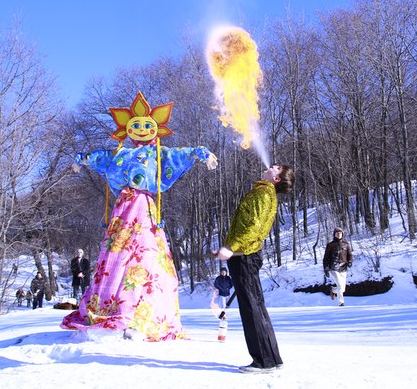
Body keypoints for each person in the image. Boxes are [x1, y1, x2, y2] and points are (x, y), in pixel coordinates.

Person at [61, 92, 218, 341]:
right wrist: (83, 159)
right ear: (126, 128)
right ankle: (111, 307)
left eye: (147, 125)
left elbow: (178, 154)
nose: (142, 129)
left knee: (145, 254)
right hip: (123, 209)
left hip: (144, 209)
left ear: (157, 128)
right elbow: (101, 157)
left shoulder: (158, 153)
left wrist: (200, 153)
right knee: (116, 254)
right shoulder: (121, 154)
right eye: (136, 125)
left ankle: (145, 313)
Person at [215, 164, 295, 374]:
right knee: (256, 307)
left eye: (275, 168)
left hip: (244, 256)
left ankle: (263, 361)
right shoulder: (265, 193)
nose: (270, 166)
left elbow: (253, 228)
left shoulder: (262, 194)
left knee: (251, 308)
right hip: (246, 255)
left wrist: (231, 247)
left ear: (277, 179)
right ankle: (272, 357)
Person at [323, 227, 353, 307]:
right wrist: (326, 268)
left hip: (343, 268)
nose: (339, 234)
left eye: (340, 233)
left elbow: (349, 255)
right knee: (340, 285)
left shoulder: (346, 244)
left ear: (342, 234)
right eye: (337, 233)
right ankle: (341, 303)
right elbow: (326, 258)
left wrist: (350, 262)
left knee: (342, 289)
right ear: (334, 234)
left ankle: (333, 290)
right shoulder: (330, 245)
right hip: (334, 268)